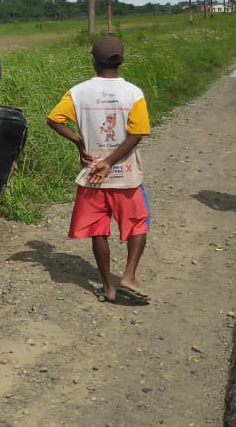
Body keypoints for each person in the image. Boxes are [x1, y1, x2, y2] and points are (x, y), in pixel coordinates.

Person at [47, 36, 152, 304]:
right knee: (137, 223)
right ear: (122, 60)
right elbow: (137, 133)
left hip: (93, 175)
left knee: (98, 230)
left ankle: (109, 288)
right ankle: (128, 276)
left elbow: (54, 119)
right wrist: (113, 161)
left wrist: (79, 141)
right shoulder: (134, 93)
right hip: (126, 176)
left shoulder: (78, 92)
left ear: (93, 61)